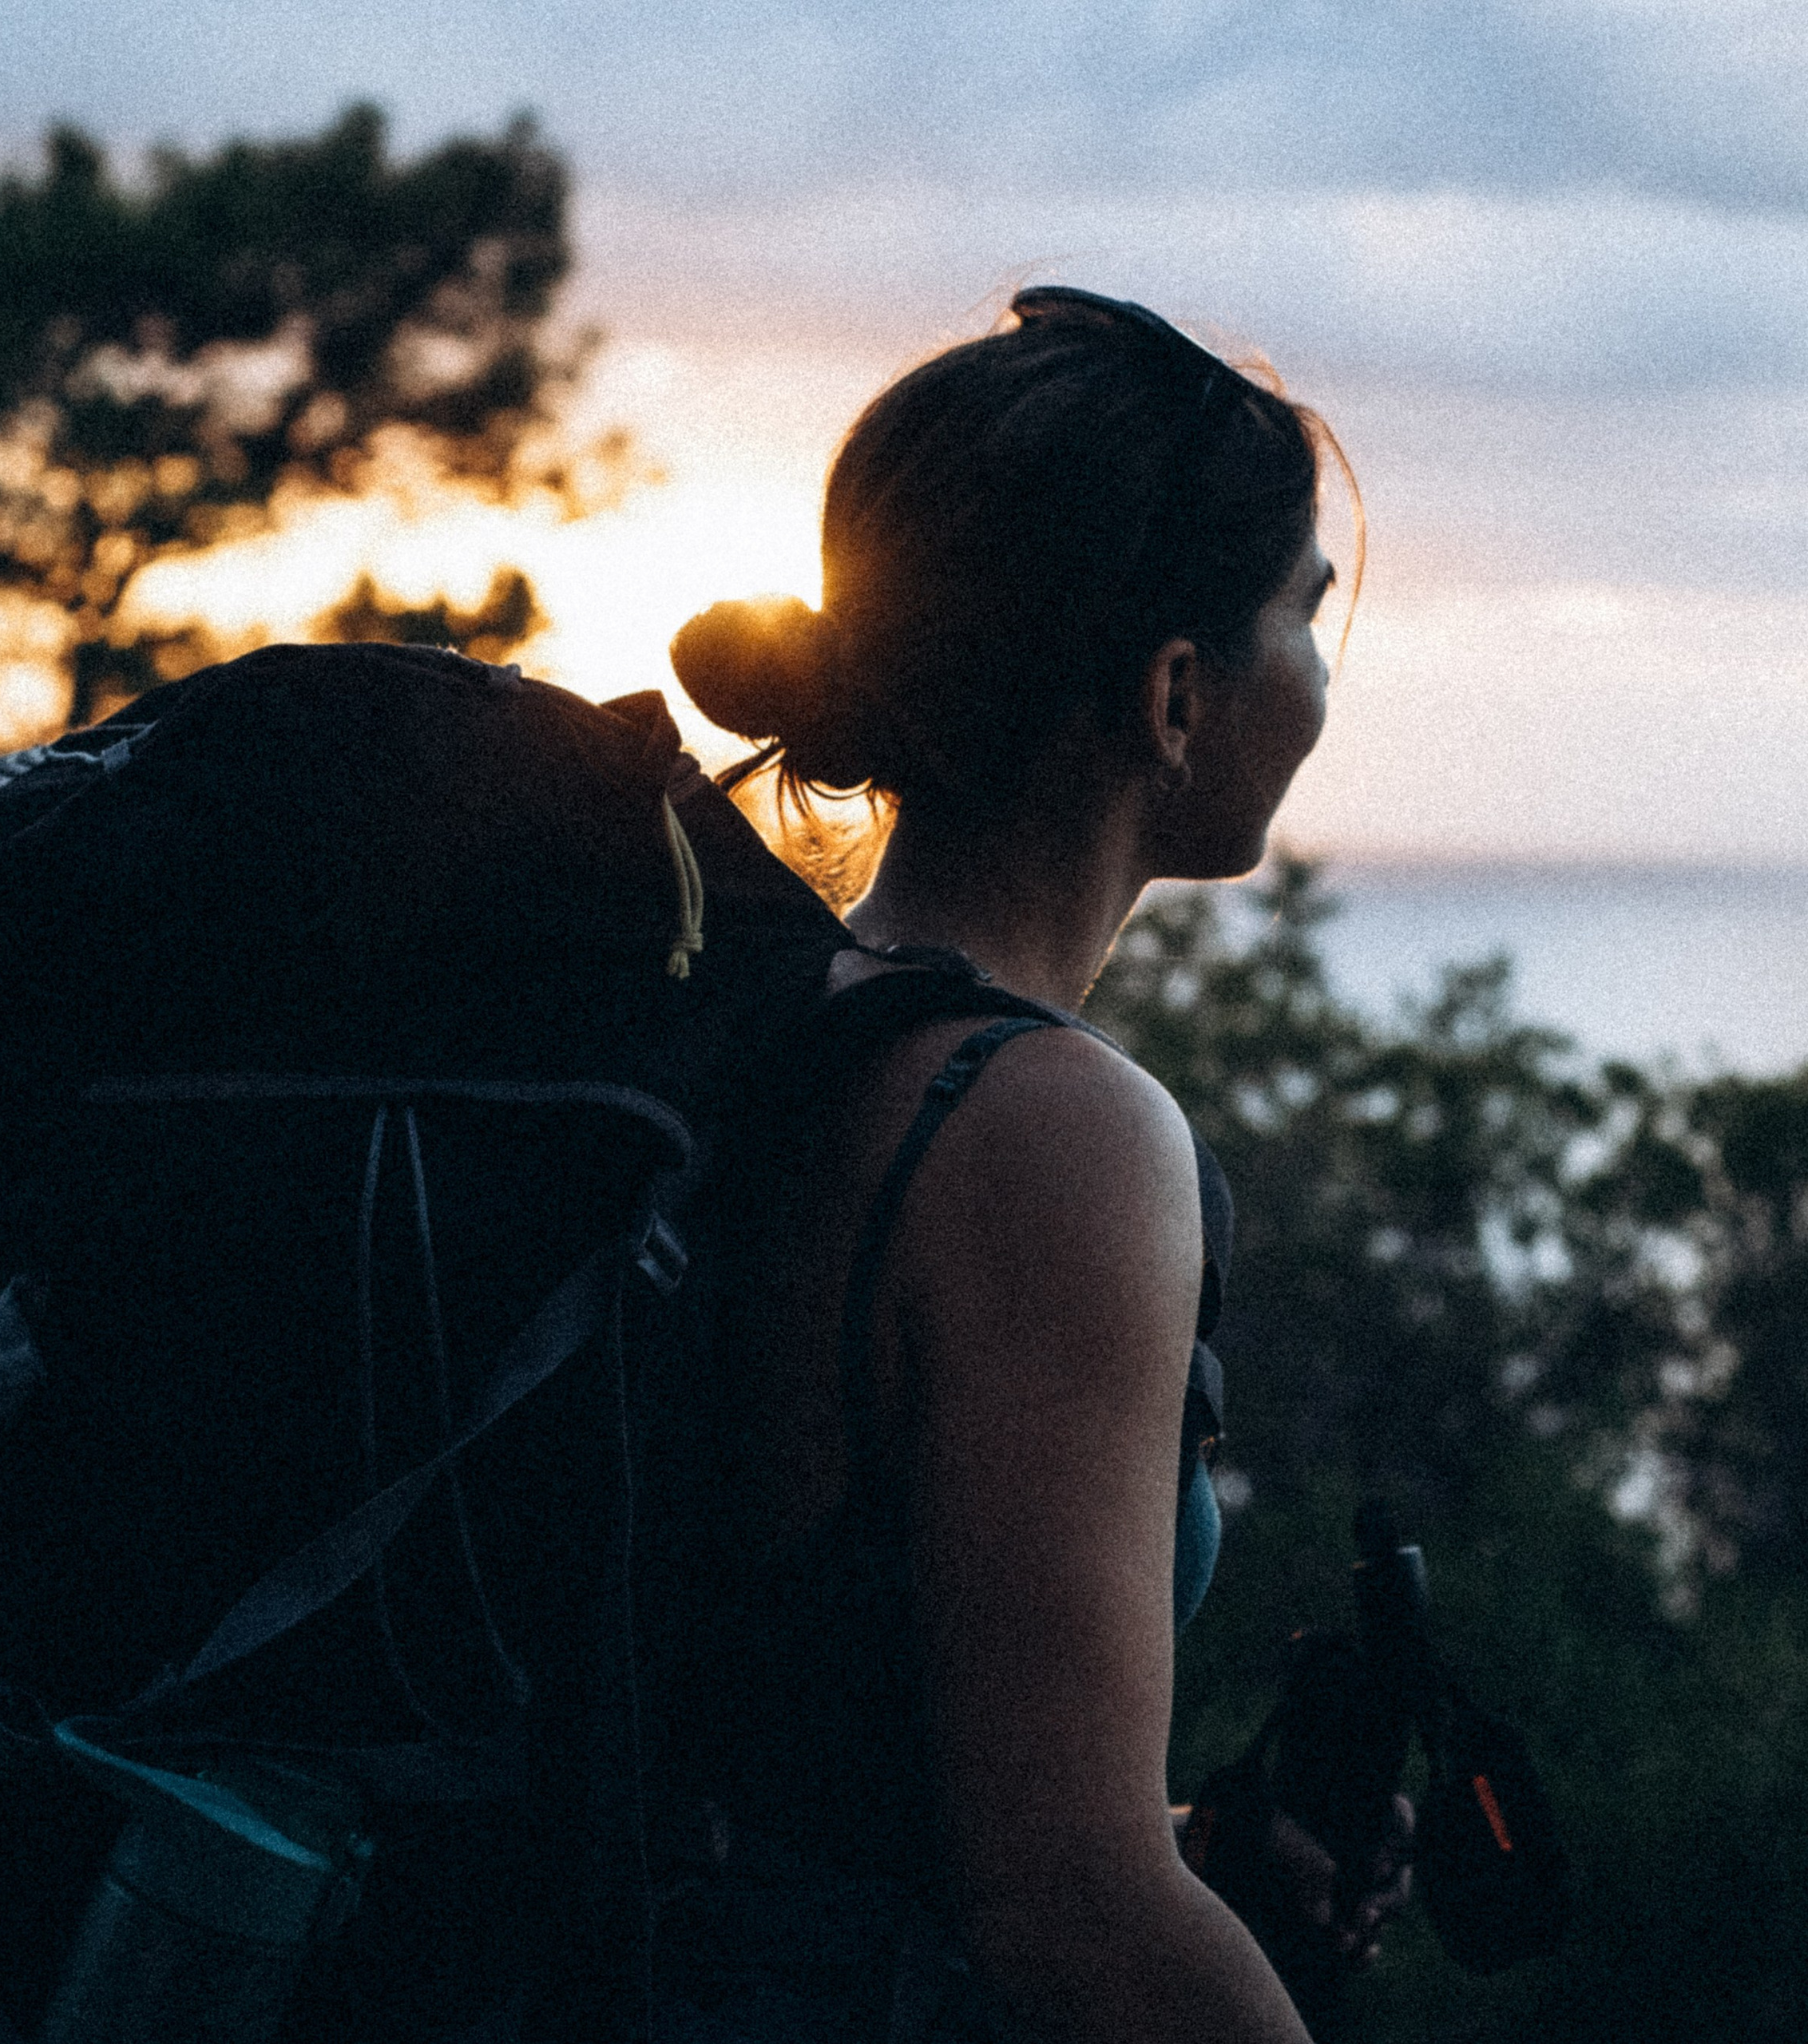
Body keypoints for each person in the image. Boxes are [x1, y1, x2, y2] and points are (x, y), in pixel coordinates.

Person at [653, 286, 1409, 2044]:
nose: (1318, 672)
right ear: (1170, 692)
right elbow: (1072, 1918)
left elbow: (790, 1757)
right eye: (1302, 615)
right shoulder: (1044, 1128)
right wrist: (1141, 1876)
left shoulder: (778, 1016)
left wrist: (1189, 1842)